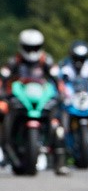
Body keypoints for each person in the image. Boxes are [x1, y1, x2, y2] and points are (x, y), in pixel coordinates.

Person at [0, 29, 69, 175]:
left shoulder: (46, 61)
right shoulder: (14, 61)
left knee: (58, 124)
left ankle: (59, 163)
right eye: (28, 48)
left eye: (35, 47)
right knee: (2, 111)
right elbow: (3, 78)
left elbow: (57, 80)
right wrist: (3, 93)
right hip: (20, 99)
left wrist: (62, 93)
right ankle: (6, 146)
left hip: (41, 99)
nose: (31, 51)